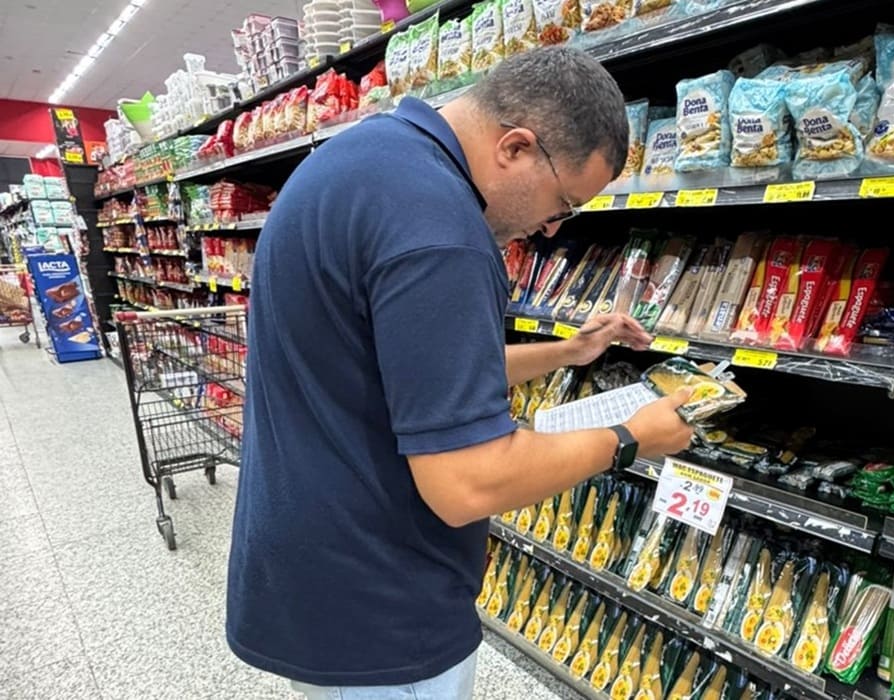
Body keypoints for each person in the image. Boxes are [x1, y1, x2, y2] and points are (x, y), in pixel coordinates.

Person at [226, 46, 694, 699]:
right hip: (383, 606)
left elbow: (409, 368)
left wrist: (565, 352)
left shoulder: (365, 156)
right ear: (516, 148)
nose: (552, 229)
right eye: (563, 203)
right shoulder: (442, 231)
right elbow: (467, 482)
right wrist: (630, 437)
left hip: (317, 572)